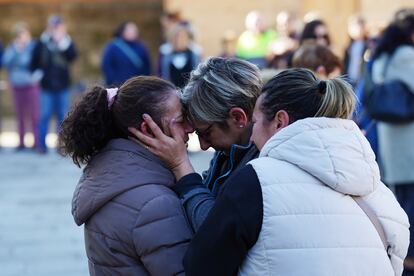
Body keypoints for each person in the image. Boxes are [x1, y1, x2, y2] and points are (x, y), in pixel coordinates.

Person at [183, 68, 409, 276]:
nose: (251, 137)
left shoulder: (255, 180)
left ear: (280, 121)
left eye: (256, 122)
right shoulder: (380, 192)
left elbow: (200, 266)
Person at [58, 76, 194, 275]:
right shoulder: (155, 204)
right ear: (147, 129)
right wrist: (183, 167)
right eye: (180, 121)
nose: (190, 128)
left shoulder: (109, 173)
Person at [130, 57, 262, 231]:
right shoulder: (230, 151)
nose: (203, 145)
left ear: (238, 118)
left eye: (206, 133)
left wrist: (181, 166)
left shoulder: (262, 166)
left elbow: (214, 234)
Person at [370, 9, 414, 273]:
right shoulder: (406, 56)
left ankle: (404, 257)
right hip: (409, 143)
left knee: (403, 202)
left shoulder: (382, 57)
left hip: (394, 143)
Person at [30, 14, 77, 153]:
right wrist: (36, 74)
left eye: (58, 26)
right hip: (46, 86)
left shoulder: (67, 42)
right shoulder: (42, 42)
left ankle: (61, 146)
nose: (55, 29)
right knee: (44, 116)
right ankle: (41, 146)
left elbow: (72, 57)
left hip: (63, 85)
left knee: (63, 116)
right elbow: (33, 62)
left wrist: (62, 44)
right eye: (53, 26)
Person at [2, 22, 41, 150]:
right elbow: (5, 61)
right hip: (17, 85)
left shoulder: (33, 46)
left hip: (31, 84)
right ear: (16, 37)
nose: (23, 38)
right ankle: (21, 142)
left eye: (24, 34)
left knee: (34, 114)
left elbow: (36, 61)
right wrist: (16, 50)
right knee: (20, 115)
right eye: (20, 36)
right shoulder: (12, 48)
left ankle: (36, 141)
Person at [102, 21, 151, 86]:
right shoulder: (113, 47)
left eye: (135, 30)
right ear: (123, 31)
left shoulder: (141, 47)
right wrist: (113, 82)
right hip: (119, 85)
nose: (134, 32)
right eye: (131, 30)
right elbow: (107, 66)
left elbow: (147, 66)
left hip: (137, 86)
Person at [158, 22, 201, 88]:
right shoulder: (165, 54)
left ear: (188, 38)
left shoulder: (194, 54)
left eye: (183, 36)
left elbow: (199, 75)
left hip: (189, 92)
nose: (179, 39)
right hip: (170, 91)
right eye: (177, 36)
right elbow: (160, 74)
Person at [343, 15, 369, 87]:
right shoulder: (348, 46)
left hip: (361, 81)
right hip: (349, 79)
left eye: (360, 27)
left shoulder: (368, 45)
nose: (357, 30)